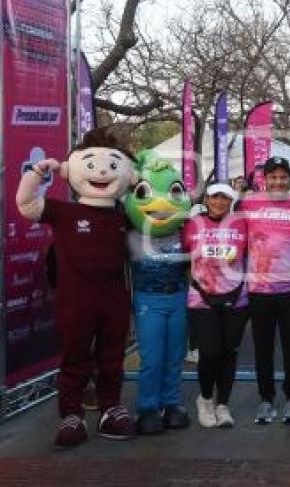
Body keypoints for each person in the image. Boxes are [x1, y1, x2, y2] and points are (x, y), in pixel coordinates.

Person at [16, 128, 138, 447]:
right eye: (93, 164)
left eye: (112, 166)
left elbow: (146, 239)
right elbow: (27, 204)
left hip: (114, 300)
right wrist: (36, 172)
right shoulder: (64, 211)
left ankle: (110, 408)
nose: (101, 172)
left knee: (112, 357)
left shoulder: (124, 216)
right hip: (74, 301)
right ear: (71, 170)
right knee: (75, 358)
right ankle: (72, 413)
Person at [126, 151, 192, 435]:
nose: (163, 202)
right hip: (148, 300)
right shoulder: (130, 235)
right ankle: (148, 407)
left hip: (178, 297)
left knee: (175, 355)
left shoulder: (186, 232)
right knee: (152, 358)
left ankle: (171, 403)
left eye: (174, 192)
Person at [240, 156, 290, 425]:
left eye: (283, 177)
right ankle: (266, 398)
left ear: (289, 179)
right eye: (273, 177)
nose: (278, 181)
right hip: (259, 289)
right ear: (265, 179)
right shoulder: (248, 204)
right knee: (263, 348)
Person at [182, 183, 249, 428]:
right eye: (214, 198)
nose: (219, 202)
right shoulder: (193, 225)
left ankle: (223, 405)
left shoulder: (241, 223)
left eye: (224, 198)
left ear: (231, 201)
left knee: (229, 351)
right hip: (201, 298)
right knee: (210, 353)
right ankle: (206, 398)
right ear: (207, 200)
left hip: (237, 297)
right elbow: (183, 256)